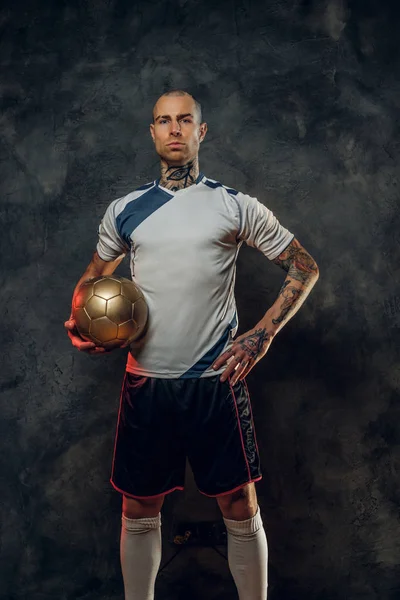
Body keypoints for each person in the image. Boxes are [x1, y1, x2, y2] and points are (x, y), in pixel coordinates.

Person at [65, 89, 319, 600]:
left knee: (239, 506)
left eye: (185, 120)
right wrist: (80, 323)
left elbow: (304, 266)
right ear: (152, 132)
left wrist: (260, 335)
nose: (175, 129)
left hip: (216, 380)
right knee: (138, 508)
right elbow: (92, 280)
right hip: (147, 383)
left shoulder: (233, 205)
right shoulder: (126, 209)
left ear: (201, 132)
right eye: (164, 120)